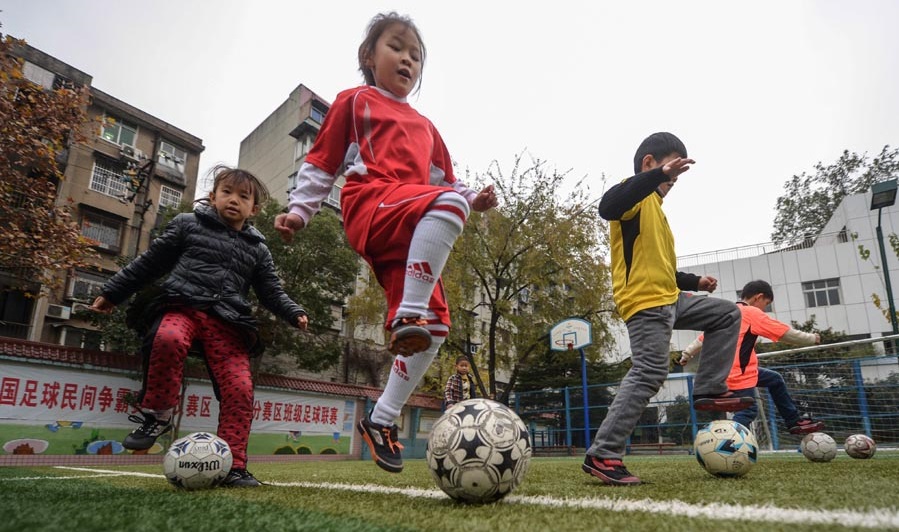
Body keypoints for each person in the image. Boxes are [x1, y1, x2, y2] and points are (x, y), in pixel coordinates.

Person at [274, 12, 497, 474]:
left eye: (416, 55)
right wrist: (299, 212)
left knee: (437, 327)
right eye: (397, 47)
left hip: (410, 236)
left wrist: (475, 198)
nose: (407, 60)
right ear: (368, 57)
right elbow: (321, 162)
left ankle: (381, 418)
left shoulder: (427, 127)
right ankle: (405, 315)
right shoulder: (355, 101)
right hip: (372, 204)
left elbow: (448, 182)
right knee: (447, 208)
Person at [91, 165, 309, 488]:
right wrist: (112, 293)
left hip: (229, 322)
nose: (233, 200)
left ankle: (235, 466)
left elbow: (272, 291)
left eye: (243, 196)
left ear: (254, 209)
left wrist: (294, 312)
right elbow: (149, 263)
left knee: (240, 388)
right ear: (212, 196)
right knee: (167, 338)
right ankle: (157, 414)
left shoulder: (258, 249)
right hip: (183, 306)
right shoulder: (187, 224)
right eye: (226, 192)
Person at [582, 132, 752, 486]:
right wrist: (657, 176)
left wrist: (695, 282)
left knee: (727, 314)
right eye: (671, 173)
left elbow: (662, 268)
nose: (673, 182)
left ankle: (708, 388)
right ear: (649, 163)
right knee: (650, 371)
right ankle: (603, 453)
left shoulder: (657, 212)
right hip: (645, 301)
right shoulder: (634, 198)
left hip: (670, 298)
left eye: (674, 178)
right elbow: (607, 206)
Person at [678, 279, 825, 434]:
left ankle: (793, 421)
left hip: (723, 371)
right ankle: (728, 440)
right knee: (748, 410)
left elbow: (703, 338)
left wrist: (687, 354)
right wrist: (811, 338)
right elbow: (783, 332)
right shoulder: (751, 313)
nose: (765, 309)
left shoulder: (728, 311)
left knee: (775, 379)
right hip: (738, 373)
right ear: (758, 297)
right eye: (766, 304)